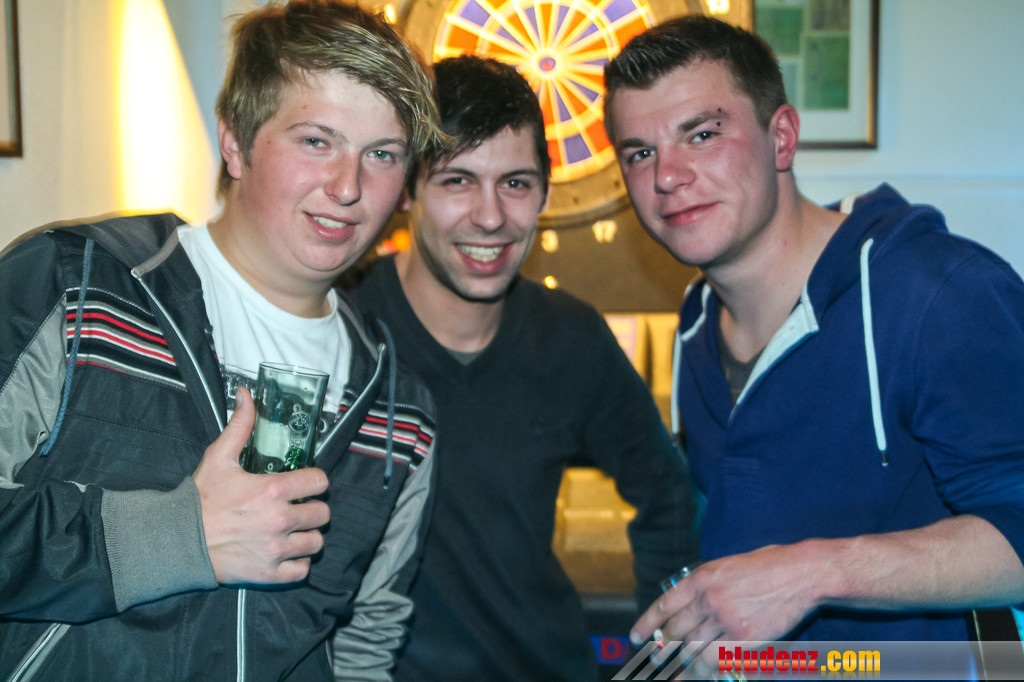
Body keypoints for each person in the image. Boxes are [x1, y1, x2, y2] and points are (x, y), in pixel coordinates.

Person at [0, 2, 445, 679]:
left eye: (381, 154)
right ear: (235, 141)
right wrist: (178, 535)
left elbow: (364, 645)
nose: (348, 187)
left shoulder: (399, 417)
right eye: (316, 141)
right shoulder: (78, 286)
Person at [603, 13, 1024, 658]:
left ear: (781, 138)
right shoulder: (694, 323)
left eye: (702, 134)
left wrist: (814, 574)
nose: (667, 175)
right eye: (640, 153)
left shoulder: (938, 293)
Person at [349, 55, 699, 681]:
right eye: (457, 180)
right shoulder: (343, 332)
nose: (490, 217)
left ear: (544, 192)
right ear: (407, 191)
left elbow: (668, 492)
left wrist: (662, 656)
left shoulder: (570, 338)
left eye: (515, 183)